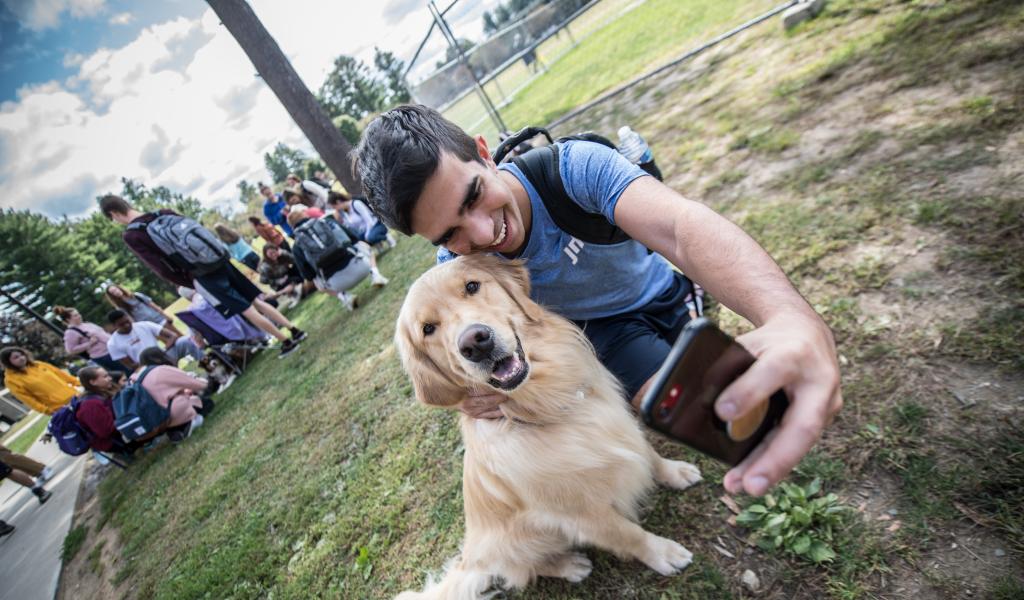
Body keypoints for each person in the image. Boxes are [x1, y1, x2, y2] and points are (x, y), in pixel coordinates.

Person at [353, 104, 842, 498]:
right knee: (701, 413)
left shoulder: (574, 168)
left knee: (749, 385)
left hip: (661, 289)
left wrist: (790, 316)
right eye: (450, 233)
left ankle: (687, 317)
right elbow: (450, 347)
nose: (483, 233)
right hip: (607, 333)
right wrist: (482, 389)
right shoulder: (456, 274)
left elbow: (680, 228)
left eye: (474, 195)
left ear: (484, 152)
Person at [99, 195, 306, 358]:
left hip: (199, 273)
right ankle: (294, 330)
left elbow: (159, 267)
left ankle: (285, 341)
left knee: (245, 309)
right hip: (218, 259)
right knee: (255, 299)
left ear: (114, 214)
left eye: (112, 218)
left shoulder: (132, 235)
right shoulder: (161, 212)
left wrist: (189, 282)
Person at [287, 206, 388, 311]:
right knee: (362, 244)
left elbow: (308, 275)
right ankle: (376, 275)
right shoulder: (327, 222)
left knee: (316, 282)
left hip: (337, 284)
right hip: (362, 267)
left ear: (292, 226)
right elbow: (354, 238)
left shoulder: (297, 246)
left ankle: (345, 297)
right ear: (305, 215)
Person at [133, 348, 209, 441]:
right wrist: (202, 380)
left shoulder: (138, 379)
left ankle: (177, 431)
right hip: (175, 411)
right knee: (207, 403)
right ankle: (190, 421)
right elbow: (199, 385)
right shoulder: (161, 370)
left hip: (160, 420)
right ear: (158, 357)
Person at [106, 310, 203, 370]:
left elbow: (172, 335)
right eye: (122, 324)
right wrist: (149, 361)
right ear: (114, 326)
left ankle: (206, 366)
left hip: (164, 354)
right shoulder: (112, 344)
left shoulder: (143, 325)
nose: (126, 325)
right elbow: (130, 366)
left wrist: (163, 350)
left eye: (127, 321)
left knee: (185, 341)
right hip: (148, 367)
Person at [76, 366, 138, 455]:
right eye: (105, 377)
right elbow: (105, 431)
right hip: (116, 441)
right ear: (93, 382)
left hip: (122, 429)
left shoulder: (104, 392)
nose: (110, 378)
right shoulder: (90, 405)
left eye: (108, 375)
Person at [53, 306, 132, 375]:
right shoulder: (71, 332)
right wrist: (89, 343)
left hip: (114, 349)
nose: (79, 316)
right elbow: (71, 350)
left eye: (78, 314)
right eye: (75, 316)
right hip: (104, 355)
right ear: (68, 319)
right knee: (127, 371)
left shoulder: (86, 324)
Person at [0, 347, 79, 415]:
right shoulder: (11, 380)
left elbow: (63, 376)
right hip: (60, 408)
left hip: (76, 396)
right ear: (8, 362)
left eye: (22, 354)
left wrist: (82, 384)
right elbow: (28, 400)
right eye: (16, 357)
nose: (22, 358)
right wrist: (47, 411)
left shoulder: (39, 364)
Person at [103, 283, 183, 341]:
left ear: (119, 288)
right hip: (150, 326)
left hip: (159, 319)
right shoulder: (120, 308)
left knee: (179, 336)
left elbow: (153, 305)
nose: (116, 292)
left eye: (115, 289)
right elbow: (132, 321)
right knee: (169, 341)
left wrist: (166, 316)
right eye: (113, 292)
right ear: (112, 296)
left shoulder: (136, 295)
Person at [326, 191, 397, 248]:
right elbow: (353, 226)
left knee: (369, 237)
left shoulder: (355, 204)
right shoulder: (344, 212)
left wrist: (367, 234)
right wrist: (342, 222)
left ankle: (387, 237)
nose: (335, 210)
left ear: (338, 202)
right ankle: (377, 244)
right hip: (365, 231)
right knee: (359, 241)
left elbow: (369, 221)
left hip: (376, 225)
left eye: (334, 207)